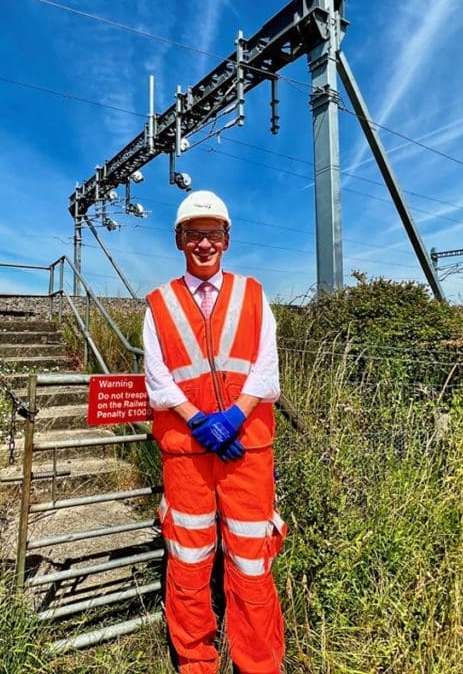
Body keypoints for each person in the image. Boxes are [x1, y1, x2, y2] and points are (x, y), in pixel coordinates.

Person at [143, 190, 286, 674]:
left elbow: (265, 371)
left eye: (214, 234)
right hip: (188, 454)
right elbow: (158, 378)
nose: (205, 244)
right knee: (188, 561)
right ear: (180, 240)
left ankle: (259, 664)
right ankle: (196, 661)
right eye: (194, 234)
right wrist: (199, 420)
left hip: (246, 449)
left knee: (251, 563)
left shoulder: (253, 294)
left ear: (227, 239)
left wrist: (232, 419)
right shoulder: (159, 303)